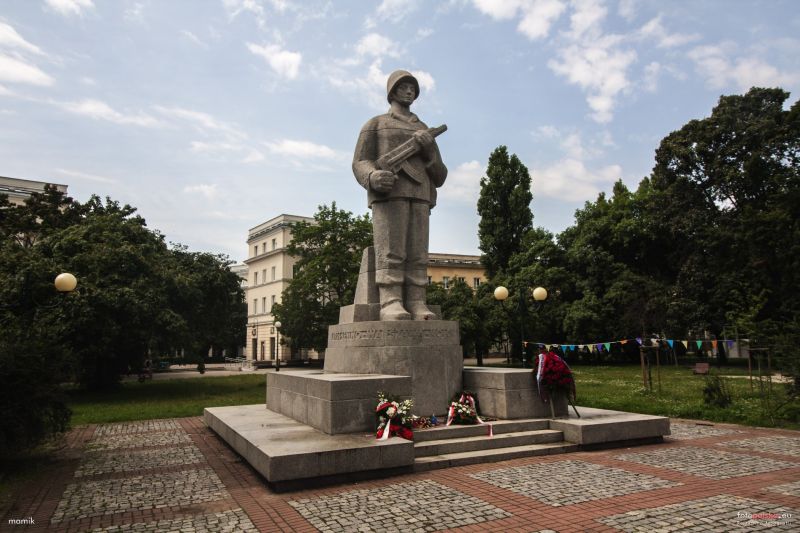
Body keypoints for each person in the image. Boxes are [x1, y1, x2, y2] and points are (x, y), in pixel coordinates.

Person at [352, 70, 448, 320]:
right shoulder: (376, 124)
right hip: (389, 193)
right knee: (391, 250)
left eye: (413, 88)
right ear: (392, 91)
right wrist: (372, 177)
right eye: (404, 86)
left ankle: (417, 301)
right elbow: (360, 161)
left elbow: (440, 174)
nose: (409, 91)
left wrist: (429, 151)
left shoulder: (425, 130)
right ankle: (390, 301)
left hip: (420, 194)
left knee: (418, 253)